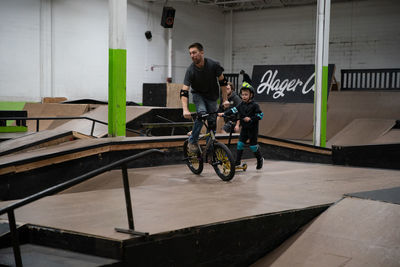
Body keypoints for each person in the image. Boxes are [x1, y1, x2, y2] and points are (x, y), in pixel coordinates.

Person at [180, 42, 230, 152]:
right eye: (190, 53)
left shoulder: (213, 65)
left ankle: (210, 147)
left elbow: (223, 82)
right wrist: (185, 109)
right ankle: (192, 141)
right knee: (202, 114)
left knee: (212, 121)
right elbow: (184, 91)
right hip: (198, 95)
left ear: (202, 52)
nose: (192, 55)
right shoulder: (190, 70)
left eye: (194, 52)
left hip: (212, 96)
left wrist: (225, 99)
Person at [218, 82, 264, 169]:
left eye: (246, 94)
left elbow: (261, 115)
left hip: (252, 130)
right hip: (244, 129)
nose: (244, 96)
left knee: (253, 146)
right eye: (242, 95)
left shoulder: (255, 105)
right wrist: (223, 114)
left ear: (251, 95)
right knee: (239, 144)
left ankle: (260, 159)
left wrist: (251, 119)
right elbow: (233, 110)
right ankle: (237, 161)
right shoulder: (241, 104)